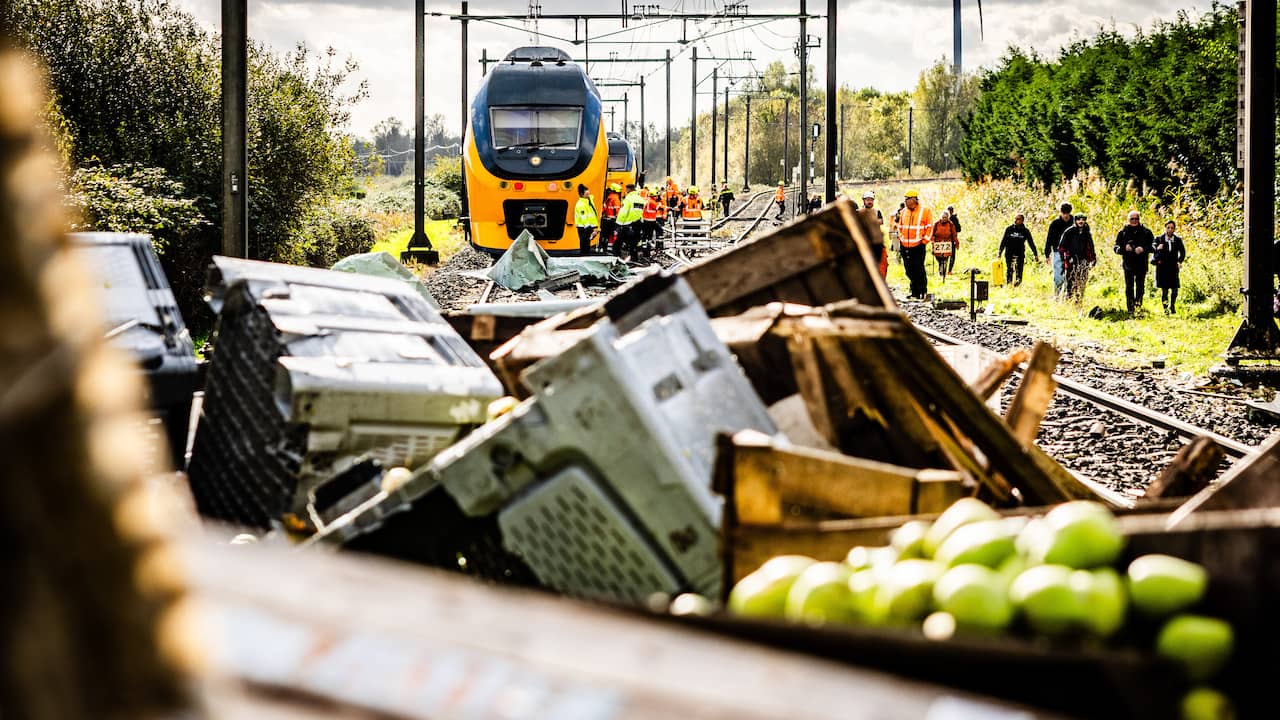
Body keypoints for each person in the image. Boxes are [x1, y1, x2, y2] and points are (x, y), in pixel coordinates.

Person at [1114, 210, 1155, 314]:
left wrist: (1143, 249)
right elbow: (1116, 247)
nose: (1134, 221)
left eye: (1136, 218)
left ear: (1139, 219)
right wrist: (1124, 248)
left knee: (1140, 286)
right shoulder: (1123, 232)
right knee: (1129, 287)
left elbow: (1153, 246)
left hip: (1142, 263)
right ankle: (1130, 308)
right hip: (1128, 264)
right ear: (1128, 220)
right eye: (1132, 219)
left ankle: (1138, 305)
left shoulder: (1146, 232)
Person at [897, 189, 933, 299]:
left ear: (915, 200)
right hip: (905, 246)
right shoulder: (903, 212)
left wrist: (924, 241)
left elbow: (929, 227)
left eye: (909, 199)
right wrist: (901, 238)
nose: (907, 201)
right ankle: (914, 291)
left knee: (919, 269)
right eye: (906, 199)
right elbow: (900, 226)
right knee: (909, 270)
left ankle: (922, 291)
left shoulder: (925, 211)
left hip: (918, 246)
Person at [1058, 213, 1096, 304]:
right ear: (1075, 221)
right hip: (1071, 261)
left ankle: (1079, 302)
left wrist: (1093, 259)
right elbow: (1061, 247)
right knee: (1070, 283)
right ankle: (1068, 302)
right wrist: (1067, 258)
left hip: (1084, 261)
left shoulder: (1087, 233)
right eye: (1079, 219)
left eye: (1083, 219)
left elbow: (1091, 247)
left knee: (1082, 282)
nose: (1081, 221)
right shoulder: (1069, 232)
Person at [1151, 220, 1187, 314]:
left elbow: (1182, 252)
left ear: (1174, 229)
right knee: (1165, 290)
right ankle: (1165, 308)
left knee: (1175, 289)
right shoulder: (1159, 238)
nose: (1170, 230)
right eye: (1168, 228)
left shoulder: (1177, 240)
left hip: (1173, 266)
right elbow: (1152, 248)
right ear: (1165, 228)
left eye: (1172, 228)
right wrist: (1157, 248)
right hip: (1162, 266)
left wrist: (1179, 261)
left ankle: (1172, 305)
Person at [997, 212, 1038, 286]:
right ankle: (1009, 284)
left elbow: (1031, 243)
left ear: (1022, 220)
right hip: (1009, 253)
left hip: (1020, 253)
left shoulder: (1025, 231)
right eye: (1015, 219)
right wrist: (1000, 252)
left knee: (1019, 270)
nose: (1015, 220)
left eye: (1018, 219)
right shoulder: (1009, 229)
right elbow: (1003, 241)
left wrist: (1035, 254)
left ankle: (1017, 285)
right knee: (1009, 269)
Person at [1044, 202, 1074, 297]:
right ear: (1061, 212)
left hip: (1071, 252)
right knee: (1058, 276)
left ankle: (1066, 296)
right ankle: (1056, 295)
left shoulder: (1074, 222)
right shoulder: (1055, 223)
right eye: (1064, 213)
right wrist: (1047, 254)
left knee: (1069, 276)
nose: (1065, 215)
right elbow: (1049, 239)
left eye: (1067, 213)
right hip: (1057, 252)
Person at [861, 191, 888, 277]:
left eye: (871, 200)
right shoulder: (859, 212)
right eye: (867, 200)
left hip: (876, 242)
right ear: (864, 201)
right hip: (864, 242)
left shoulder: (877, 212)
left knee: (882, 264)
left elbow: (880, 222)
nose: (869, 202)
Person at [615, 183, 644, 260]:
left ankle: (615, 257)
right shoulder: (641, 199)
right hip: (638, 224)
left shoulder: (628, 199)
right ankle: (634, 259)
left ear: (629, 189)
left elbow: (623, 213)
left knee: (618, 242)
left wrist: (618, 224)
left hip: (627, 224)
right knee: (633, 244)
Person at [931, 210, 958, 281]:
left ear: (948, 218)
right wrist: (932, 239)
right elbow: (932, 233)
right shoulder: (936, 224)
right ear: (941, 217)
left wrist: (956, 242)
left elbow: (954, 234)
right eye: (943, 217)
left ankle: (943, 274)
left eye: (945, 217)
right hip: (938, 244)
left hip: (947, 244)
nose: (944, 219)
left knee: (945, 259)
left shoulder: (951, 224)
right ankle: (941, 269)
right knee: (939, 259)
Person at [573, 184, 599, 254]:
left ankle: (585, 254)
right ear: (582, 194)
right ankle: (583, 254)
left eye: (588, 193)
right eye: (586, 193)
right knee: (584, 242)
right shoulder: (580, 204)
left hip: (588, 226)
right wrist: (588, 227)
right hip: (583, 227)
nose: (588, 195)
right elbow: (583, 217)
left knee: (587, 242)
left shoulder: (588, 201)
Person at [601, 182, 622, 254]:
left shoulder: (608, 198)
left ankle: (605, 248)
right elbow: (618, 211)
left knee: (607, 235)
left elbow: (604, 209)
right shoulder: (616, 199)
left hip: (607, 219)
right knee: (614, 234)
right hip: (613, 220)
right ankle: (613, 249)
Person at [641, 185, 661, 253]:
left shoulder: (647, 200)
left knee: (646, 234)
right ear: (653, 196)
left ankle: (645, 248)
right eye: (656, 196)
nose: (657, 197)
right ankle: (657, 246)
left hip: (646, 219)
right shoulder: (652, 202)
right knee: (658, 230)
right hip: (650, 220)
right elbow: (658, 207)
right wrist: (661, 204)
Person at [945, 205, 962, 274]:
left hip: (944, 239)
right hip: (952, 239)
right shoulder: (954, 219)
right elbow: (959, 229)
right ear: (952, 211)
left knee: (944, 255)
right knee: (952, 255)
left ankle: (944, 270)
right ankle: (949, 271)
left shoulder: (943, 218)